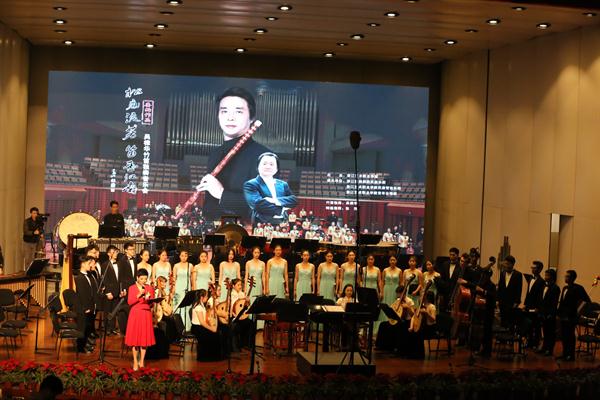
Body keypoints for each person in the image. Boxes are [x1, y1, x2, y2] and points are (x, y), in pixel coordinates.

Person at [196, 87, 271, 221]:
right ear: (218, 116)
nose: (230, 117)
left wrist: (222, 194)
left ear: (252, 118)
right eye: (224, 111)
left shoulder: (264, 156)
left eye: (238, 111)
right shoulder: (215, 154)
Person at [243, 152, 297, 225]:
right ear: (258, 167)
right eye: (264, 164)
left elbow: (294, 200)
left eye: (271, 164)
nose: (268, 167)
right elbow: (257, 204)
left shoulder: (283, 184)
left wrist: (275, 200)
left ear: (276, 169)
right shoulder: (251, 184)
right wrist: (282, 209)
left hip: (283, 222)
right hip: (262, 222)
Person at [125, 269, 156, 370]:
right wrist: (139, 295)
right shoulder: (132, 288)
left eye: (145, 279)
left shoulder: (149, 288)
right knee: (135, 339)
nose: (144, 281)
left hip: (146, 314)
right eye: (142, 278)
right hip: (135, 314)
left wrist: (149, 299)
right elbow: (130, 302)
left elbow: (152, 304)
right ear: (137, 278)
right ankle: (135, 361)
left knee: (144, 339)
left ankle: (142, 361)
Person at [558, 269, 591, 361]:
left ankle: (570, 355)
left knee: (570, 336)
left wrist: (578, 311)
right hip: (563, 316)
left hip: (571, 316)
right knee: (564, 335)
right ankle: (565, 353)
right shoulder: (564, 288)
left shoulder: (578, 288)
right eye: (565, 276)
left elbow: (587, 301)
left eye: (567, 276)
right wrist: (559, 313)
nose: (565, 278)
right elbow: (562, 303)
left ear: (572, 278)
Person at [74, 255, 98, 353]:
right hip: (84, 308)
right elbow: (82, 295)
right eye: (89, 263)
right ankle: (80, 348)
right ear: (83, 264)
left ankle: (85, 345)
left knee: (88, 327)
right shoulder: (79, 278)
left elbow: (92, 291)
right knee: (83, 327)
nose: (90, 265)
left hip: (90, 306)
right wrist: (86, 307)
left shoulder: (89, 275)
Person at [191, 289, 222, 361]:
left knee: (216, 334)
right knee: (213, 335)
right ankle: (207, 357)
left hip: (200, 327)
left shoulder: (202, 305)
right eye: (206, 296)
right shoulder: (198, 307)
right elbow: (202, 322)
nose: (207, 298)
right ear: (202, 297)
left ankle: (213, 356)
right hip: (197, 328)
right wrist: (212, 329)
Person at [523, 260, 546, 349]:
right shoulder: (530, 278)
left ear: (540, 270)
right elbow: (528, 293)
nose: (532, 269)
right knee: (528, 325)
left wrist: (538, 307)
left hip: (536, 307)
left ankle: (535, 343)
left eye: (534, 268)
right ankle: (529, 342)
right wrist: (525, 304)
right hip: (528, 305)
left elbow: (540, 296)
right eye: (532, 267)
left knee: (536, 326)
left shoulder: (542, 281)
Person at [537, 268, 560, 356]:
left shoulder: (555, 288)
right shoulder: (544, 286)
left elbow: (554, 303)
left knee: (550, 333)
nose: (545, 277)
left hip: (550, 314)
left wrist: (551, 314)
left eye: (547, 275)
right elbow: (541, 300)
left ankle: (549, 350)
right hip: (543, 313)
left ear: (552, 277)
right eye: (545, 275)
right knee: (545, 332)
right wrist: (540, 311)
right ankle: (544, 348)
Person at [497, 255, 523, 328]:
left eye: (508, 264)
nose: (506, 266)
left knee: (511, 322)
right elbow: (500, 287)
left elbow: (519, 289)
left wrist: (516, 302)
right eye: (505, 264)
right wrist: (497, 300)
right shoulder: (502, 273)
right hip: (502, 302)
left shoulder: (518, 275)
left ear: (512, 264)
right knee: (503, 322)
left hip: (512, 302)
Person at [172, 250, 194, 331]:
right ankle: (178, 327)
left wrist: (192, 287)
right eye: (182, 256)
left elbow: (192, 278)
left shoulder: (190, 265)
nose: (184, 257)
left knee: (187, 306)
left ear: (187, 257)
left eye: (185, 256)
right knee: (178, 305)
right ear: (179, 256)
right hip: (178, 287)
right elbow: (174, 278)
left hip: (187, 287)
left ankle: (187, 327)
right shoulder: (176, 266)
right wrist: (173, 288)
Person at [439, 247, 460, 311]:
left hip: (455, 291)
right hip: (446, 291)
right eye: (450, 255)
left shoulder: (460, 265)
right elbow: (442, 278)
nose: (451, 256)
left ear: (457, 255)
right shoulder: (445, 264)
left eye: (453, 255)